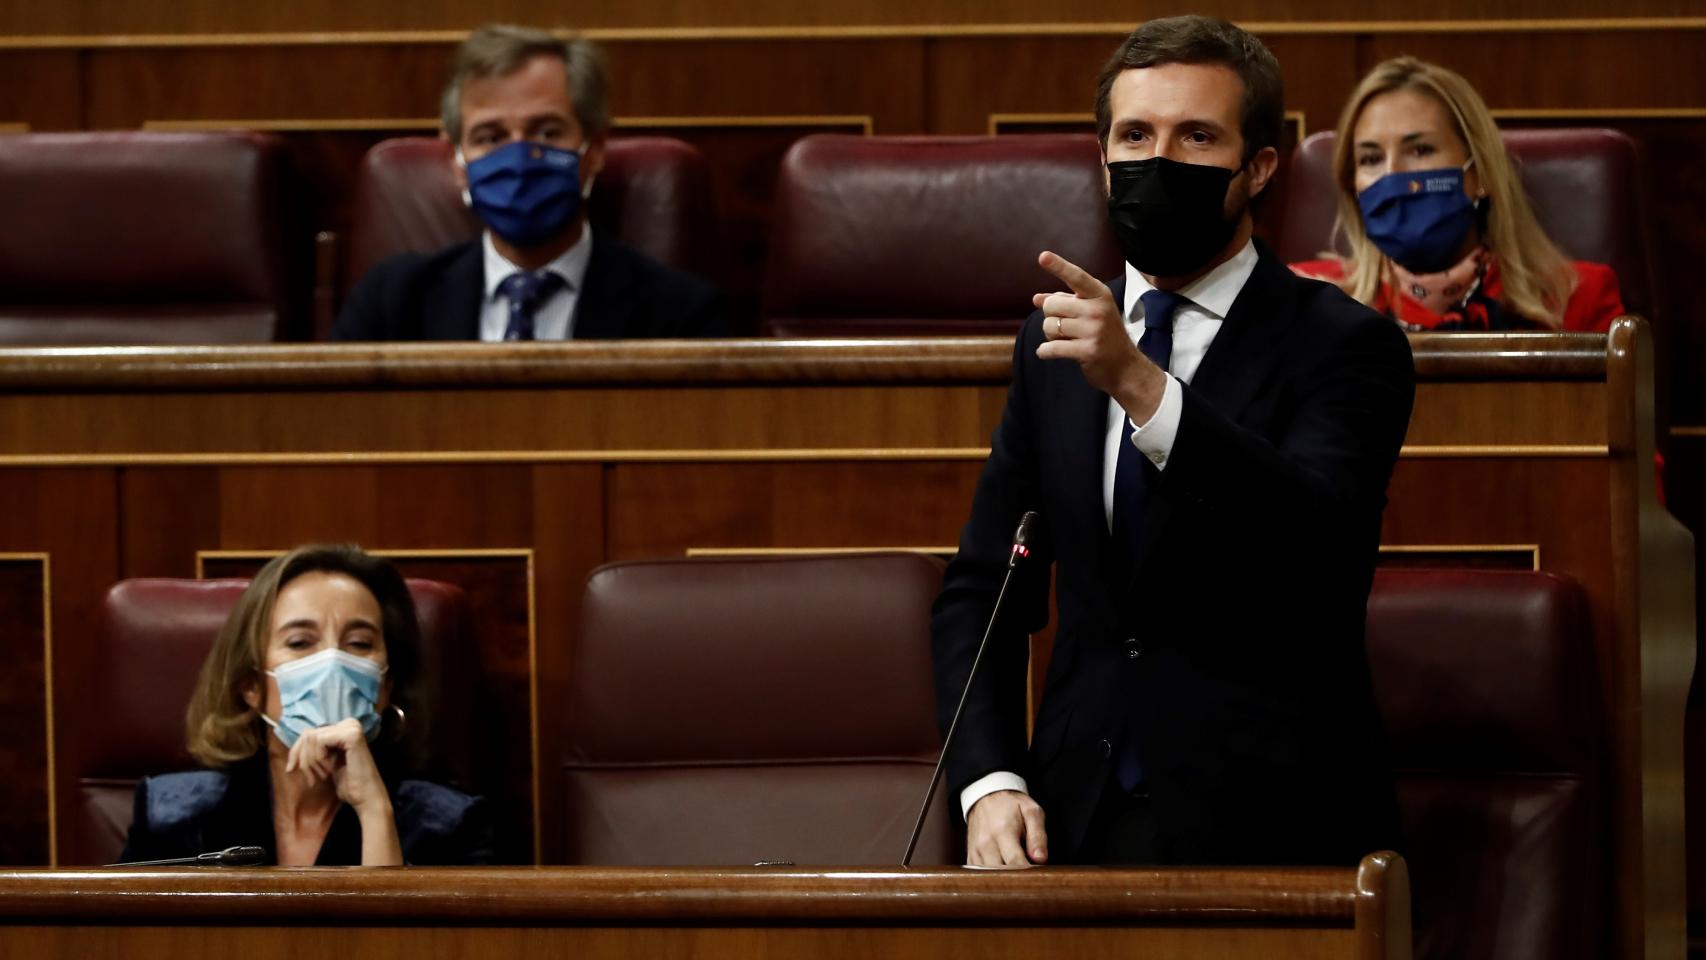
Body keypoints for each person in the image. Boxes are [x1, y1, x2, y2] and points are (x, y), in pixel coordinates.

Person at [931, 15, 1414, 868]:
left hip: (1274, 827)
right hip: (1073, 828)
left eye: (1196, 137)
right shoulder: (1052, 345)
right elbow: (985, 586)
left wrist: (1144, 390)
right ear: (1104, 156)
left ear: (1257, 168)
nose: (1158, 161)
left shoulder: (1344, 344)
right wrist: (991, 779)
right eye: (1135, 135)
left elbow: (1319, 544)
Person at [333, 24, 723, 341]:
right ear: (457, 160)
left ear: (596, 149)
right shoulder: (391, 301)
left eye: (547, 133)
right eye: (490, 137)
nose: (519, 159)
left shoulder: (679, 312)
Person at [119, 544, 492, 866]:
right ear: (250, 685)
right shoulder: (171, 814)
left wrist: (374, 812)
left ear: (385, 687)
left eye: (359, 644)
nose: (332, 662)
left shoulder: (450, 823)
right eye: (300, 643)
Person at [1292, 56, 1624, 332]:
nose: (1392, 176)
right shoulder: (1305, 298)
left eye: (1420, 150)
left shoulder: (1578, 298)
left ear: (1479, 171)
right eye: (1371, 159)